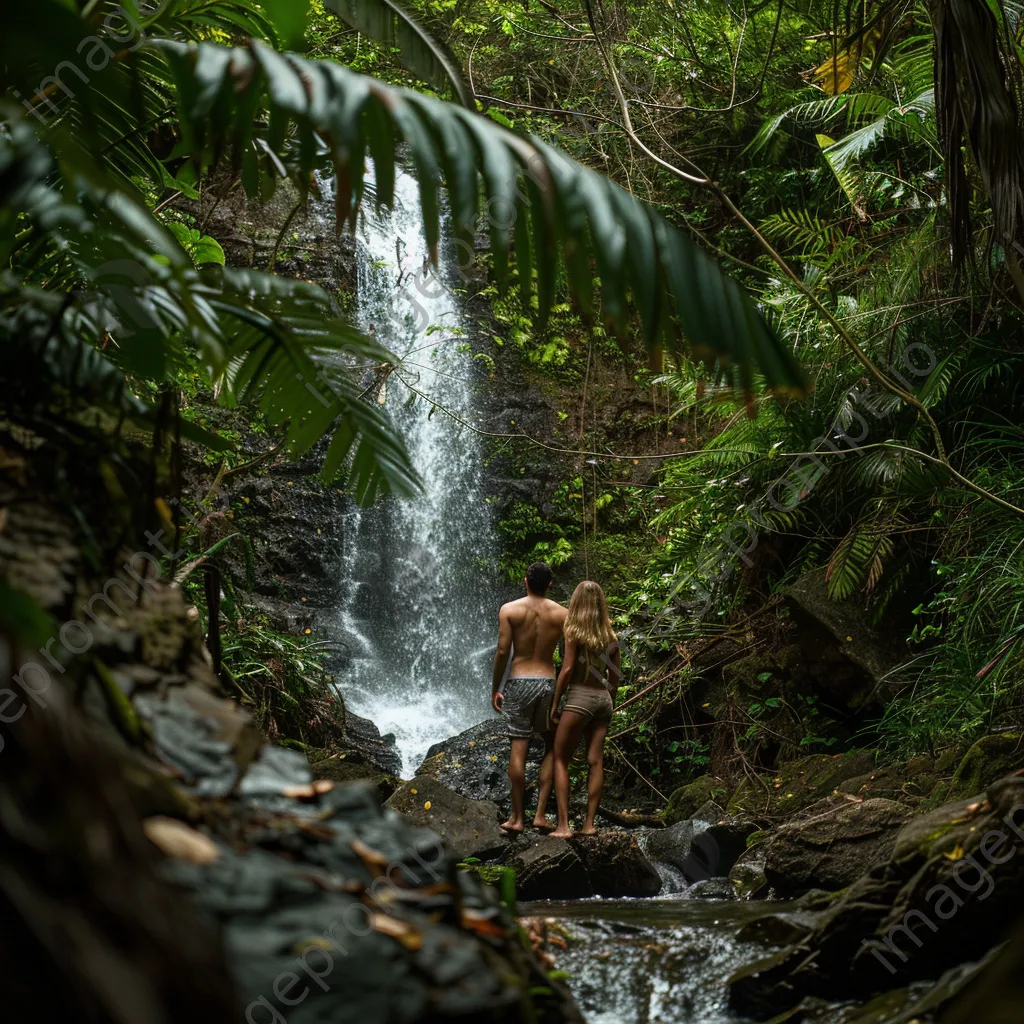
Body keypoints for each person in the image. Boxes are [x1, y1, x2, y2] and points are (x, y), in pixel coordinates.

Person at [492, 562, 568, 834]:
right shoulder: (562, 614)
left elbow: (503, 652)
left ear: (525, 581)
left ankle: (517, 818)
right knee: (551, 745)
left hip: (519, 681)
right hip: (547, 682)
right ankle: (540, 815)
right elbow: (571, 657)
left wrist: (496, 688)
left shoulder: (509, 610)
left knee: (518, 748)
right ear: (549, 585)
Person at [549, 581, 621, 838]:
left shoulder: (574, 631)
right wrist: (609, 701)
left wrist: (556, 703)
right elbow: (615, 676)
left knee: (560, 758)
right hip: (603, 700)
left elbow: (567, 669)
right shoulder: (610, 634)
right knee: (595, 761)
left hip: (580, 697)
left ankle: (564, 826)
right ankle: (589, 825)